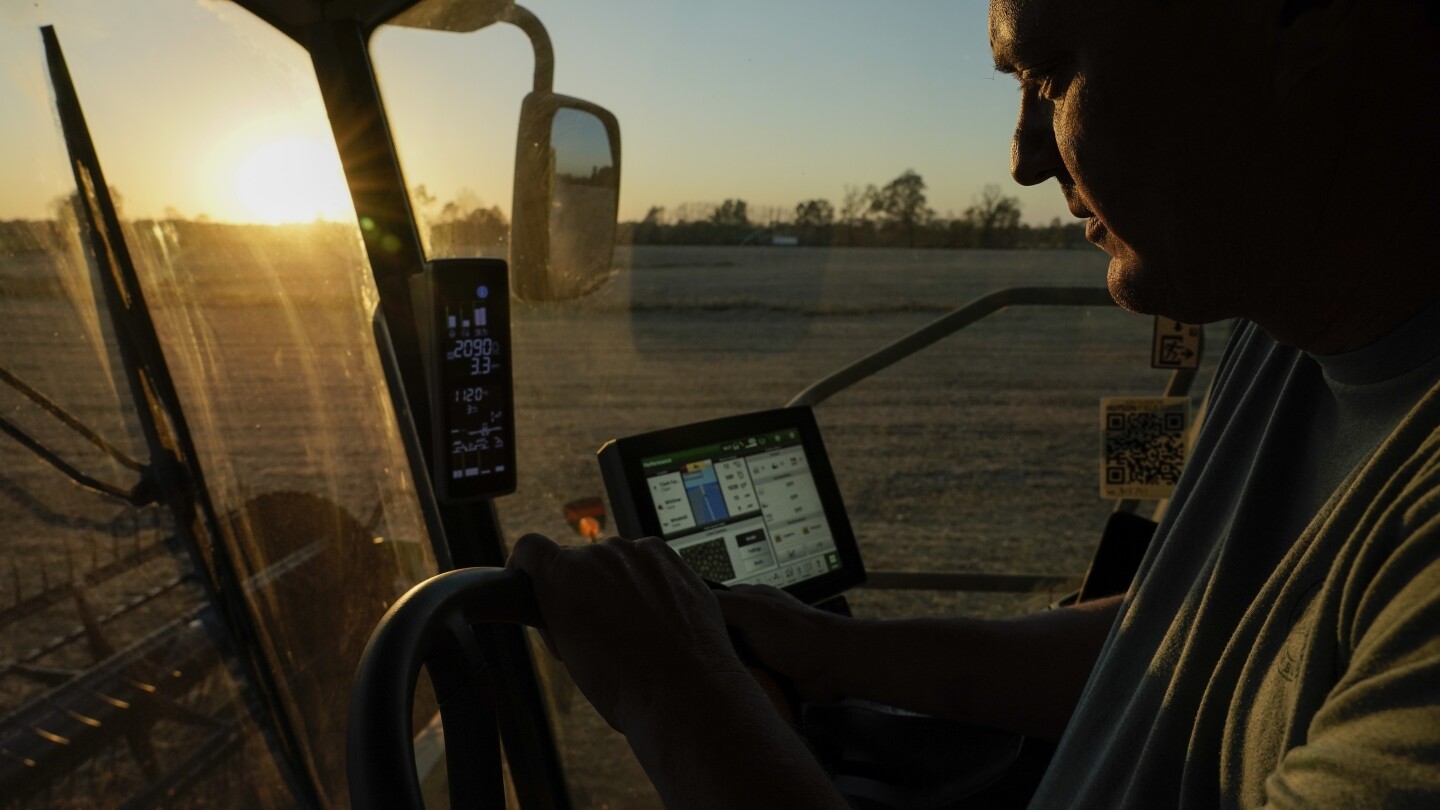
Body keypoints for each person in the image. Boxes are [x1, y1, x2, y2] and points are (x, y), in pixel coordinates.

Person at [509, 0, 1440, 806]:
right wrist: (834, 654)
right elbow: (1186, 646)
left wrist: (678, 695)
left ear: (1309, 17)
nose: (1024, 158)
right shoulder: (1290, 337)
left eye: (1052, 70)